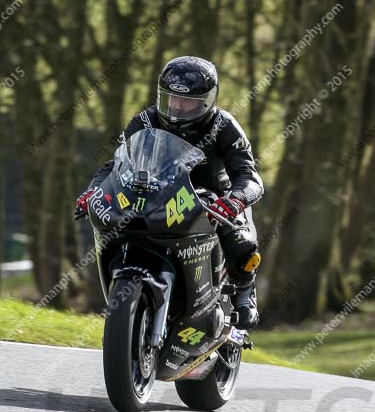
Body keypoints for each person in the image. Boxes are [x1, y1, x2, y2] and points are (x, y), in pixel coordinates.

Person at [75, 56, 264, 328]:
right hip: (159, 195)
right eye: (171, 99)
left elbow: (249, 175)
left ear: (207, 101)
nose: (177, 108)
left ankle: (245, 293)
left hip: (214, 199)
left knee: (242, 243)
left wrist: (235, 200)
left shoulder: (225, 126)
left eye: (187, 102)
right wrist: (92, 192)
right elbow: (115, 164)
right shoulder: (146, 119)